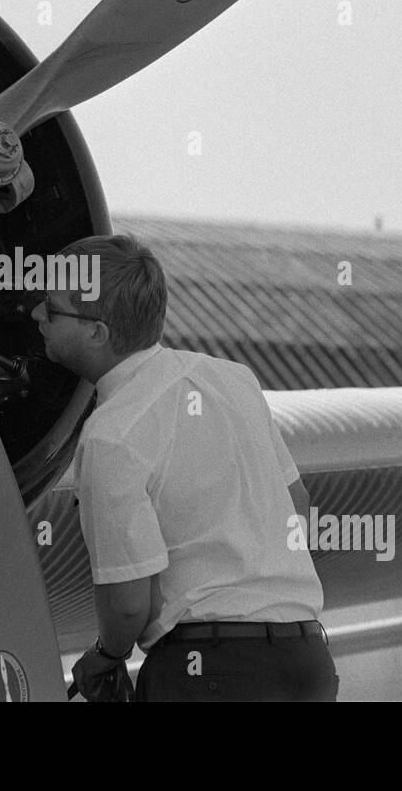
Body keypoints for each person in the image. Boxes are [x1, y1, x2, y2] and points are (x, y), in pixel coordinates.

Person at [33, 234, 338, 702]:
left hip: (211, 674)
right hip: (307, 662)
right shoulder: (234, 379)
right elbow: (297, 506)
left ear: (98, 332)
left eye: (49, 309)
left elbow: (128, 604)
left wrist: (107, 656)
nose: (35, 315)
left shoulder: (111, 434)